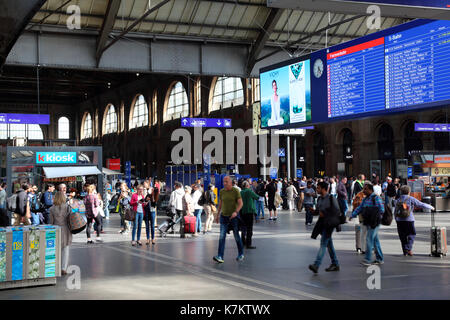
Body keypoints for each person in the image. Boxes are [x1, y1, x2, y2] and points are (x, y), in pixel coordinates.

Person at [308, 181, 341, 273]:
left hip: (329, 223)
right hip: (322, 223)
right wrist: (313, 211)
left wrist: (325, 213)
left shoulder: (331, 198)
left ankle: (316, 264)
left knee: (323, 243)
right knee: (329, 243)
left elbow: (337, 211)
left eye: (318, 188)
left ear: (323, 189)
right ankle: (335, 263)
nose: (317, 189)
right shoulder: (319, 199)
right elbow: (318, 212)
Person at [394, 185, 434, 256]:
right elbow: (420, 204)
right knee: (412, 234)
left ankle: (405, 251)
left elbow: (395, 211)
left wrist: (396, 219)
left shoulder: (398, 200)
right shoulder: (411, 198)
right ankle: (408, 248)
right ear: (409, 192)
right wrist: (431, 207)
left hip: (399, 220)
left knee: (402, 236)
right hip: (409, 219)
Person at [350, 183, 385, 265]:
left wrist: (376, 217)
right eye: (363, 189)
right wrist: (353, 215)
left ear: (370, 190)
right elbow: (360, 208)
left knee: (369, 239)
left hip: (374, 222)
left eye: (365, 189)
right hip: (368, 221)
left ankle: (368, 259)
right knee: (375, 240)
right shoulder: (365, 199)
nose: (364, 191)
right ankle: (380, 258)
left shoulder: (376, 198)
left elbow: (382, 209)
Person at [213, 176, 244, 263]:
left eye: (226, 182)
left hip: (233, 217)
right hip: (224, 217)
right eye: (224, 182)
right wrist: (217, 215)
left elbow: (241, 203)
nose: (225, 183)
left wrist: (236, 212)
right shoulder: (222, 191)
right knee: (222, 237)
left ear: (231, 182)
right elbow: (220, 203)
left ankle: (241, 253)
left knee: (236, 236)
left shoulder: (235, 191)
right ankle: (220, 256)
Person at [49, 191, 72, 275]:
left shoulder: (51, 209)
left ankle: (55, 267)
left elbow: (51, 222)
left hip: (56, 229)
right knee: (65, 249)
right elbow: (70, 220)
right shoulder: (67, 207)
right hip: (66, 229)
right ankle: (63, 268)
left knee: (55, 250)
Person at [240, 181, 259, 249]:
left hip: (242, 211)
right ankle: (249, 244)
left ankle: (243, 241)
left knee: (243, 227)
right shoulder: (249, 191)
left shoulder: (241, 192)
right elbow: (257, 197)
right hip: (249, 211)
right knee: (249, 228)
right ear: (247, 185)